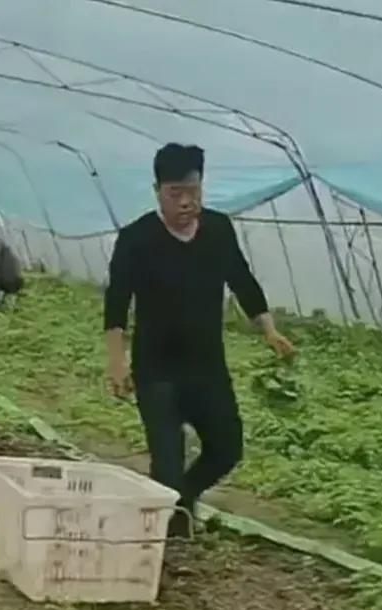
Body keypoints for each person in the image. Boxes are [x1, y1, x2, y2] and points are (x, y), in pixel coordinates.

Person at [104, 143, 295, 537]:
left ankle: (181, 501)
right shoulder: (136, 239)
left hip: (207, 366)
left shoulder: (218, 231)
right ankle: (168, 538)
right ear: (157, 191)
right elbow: (116, 303)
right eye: (175, 193)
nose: (185, 202)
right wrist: (117, 362)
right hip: (157, 370)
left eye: (193, 191)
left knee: (227, 448)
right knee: (167, 464)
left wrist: (269, 329)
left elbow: (242, 280)